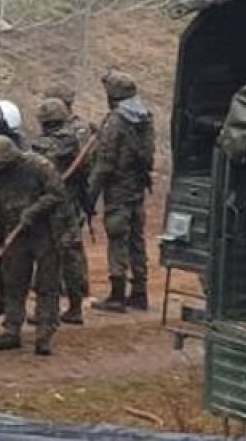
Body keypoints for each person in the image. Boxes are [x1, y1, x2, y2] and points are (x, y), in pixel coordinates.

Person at [0, 135, 70, 355]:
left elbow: (57, 194)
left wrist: (34, 211)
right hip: (15, 234)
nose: (0, 169)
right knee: (14, 283)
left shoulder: (39, 166)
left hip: (46, 232)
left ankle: (44, 334)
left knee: (47, 285)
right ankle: (12, 330)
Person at [87, 69, 156, 312]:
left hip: (118, 190)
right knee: (137, 240)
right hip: (137, 187)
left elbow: (104, 164)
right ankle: (140, 292)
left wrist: (90, 196)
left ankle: (117, 296)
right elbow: (148, 156)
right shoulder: (145, 118)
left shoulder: (116, 121)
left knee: (117, 239)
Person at [33, 97, 91, 324]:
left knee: (49, 257)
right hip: (69, 205)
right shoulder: (76, 142)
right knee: (71, 256)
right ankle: (74, 307)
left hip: (52, 207)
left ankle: (49, 310)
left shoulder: (45, 146)